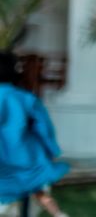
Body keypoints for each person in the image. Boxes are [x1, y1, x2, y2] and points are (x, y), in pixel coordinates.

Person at [0, 52, 70, 217]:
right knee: (36, 193)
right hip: (25, 159)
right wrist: (51, 150)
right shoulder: (25, 98)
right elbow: (43, 127)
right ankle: (58, 214)